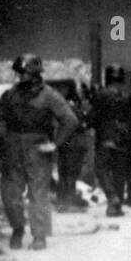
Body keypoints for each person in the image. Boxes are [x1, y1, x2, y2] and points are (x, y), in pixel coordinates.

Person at [0, 54, 78, 249]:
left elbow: (70, 120)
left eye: (24, 73)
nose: (20, 77)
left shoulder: (49, 95)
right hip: (14, 148)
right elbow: (0, 115)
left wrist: (55, 144)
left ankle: (39, 236)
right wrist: (4, 137)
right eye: (19, 73)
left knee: (38, 193)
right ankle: (18, 228)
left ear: (35, 74)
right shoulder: (10, 95)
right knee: (10, 193)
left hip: (37, 148)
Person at [89, 64, 131, 216]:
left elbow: (93, 117)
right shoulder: (127, 95)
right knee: (119, 172)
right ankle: (116, 206)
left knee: (100, 168)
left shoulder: (101, 94)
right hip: (122, 138)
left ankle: (112, 196)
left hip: (105, 138)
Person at [55, 83, 91, 212]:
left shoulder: (65, 106)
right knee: (71, 172)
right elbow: (82, 124)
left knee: (66, 172)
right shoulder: (76, 107)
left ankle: (65, 201)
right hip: (75, 142)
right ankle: (68, 200)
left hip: (69, 142)